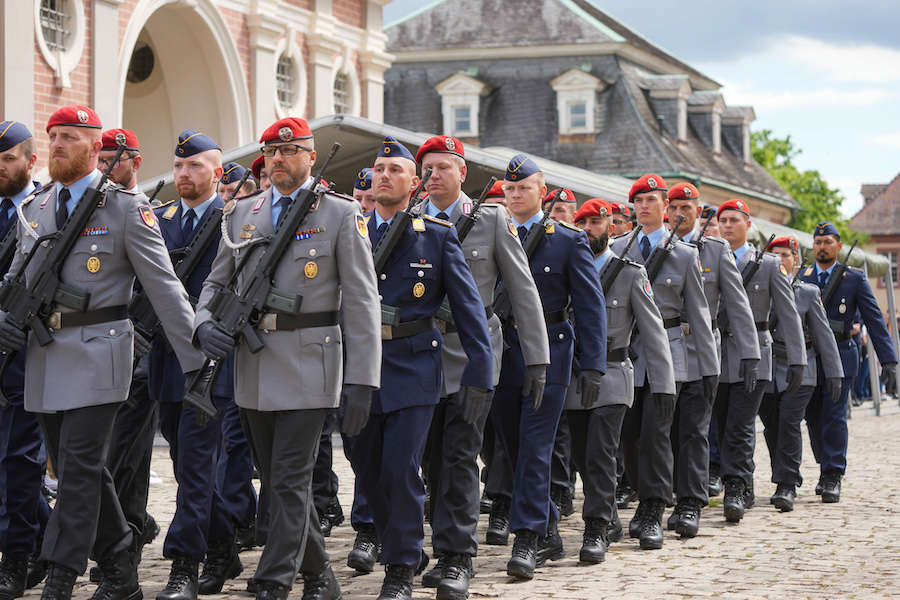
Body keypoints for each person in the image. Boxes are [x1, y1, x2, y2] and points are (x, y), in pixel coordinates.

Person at [0, 105, 204, 600]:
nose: (58, 144)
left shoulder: (125, 208)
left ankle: (62, 576)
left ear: (96, 149)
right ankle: (120, 568)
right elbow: (13, 281)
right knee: (76, 471)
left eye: (70, 136)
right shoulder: (40, 207)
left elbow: (164, 287)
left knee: (80, 467)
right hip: (46, 357)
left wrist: (198, 358)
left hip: (100, 353)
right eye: (54, 136)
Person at [194, 117, 380, 600]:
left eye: (290, 150)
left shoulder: (339, 214)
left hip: (310, 362)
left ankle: (273, 582)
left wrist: (363, 379)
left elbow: (361, 302)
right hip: (253, 365)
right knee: (277, 480)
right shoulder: (243, 211)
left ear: (310, 156)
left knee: (291, 478)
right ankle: (320, 576)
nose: (279, 159)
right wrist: (203, 324)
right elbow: (216, 282)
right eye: (272, 151)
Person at [348, 136, 492, 600]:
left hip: (415, 367)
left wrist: (479, 375)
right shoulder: (349, 230)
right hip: (358, 370)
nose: (384, 175)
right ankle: (400, 544)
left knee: (400, 469)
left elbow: (470, 312)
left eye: (395, 169)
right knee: (365, 469)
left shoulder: (436, 234)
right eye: (378, 169)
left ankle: (400, 565)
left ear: (414, 183)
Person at [415, 136, 549, 600]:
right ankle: (436, 544)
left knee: (459, 456)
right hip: (418, 357)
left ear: (462, 173)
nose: (434, 175)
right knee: (429, 459)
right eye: (428, 168)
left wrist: (537, 359)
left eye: (443, 167)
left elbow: (523, 290)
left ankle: (457, 557)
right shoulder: (412, 221)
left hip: (473, 357)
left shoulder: (492, 220)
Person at [493, 154, 606, 579]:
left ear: (543, 191)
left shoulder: (567, 239)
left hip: (553, 351)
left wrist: (593, 365)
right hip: (504, 351)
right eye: (510, 188)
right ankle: (549, 529)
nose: (516, 194)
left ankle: (528, 538)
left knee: (536, 446)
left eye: (524, 187)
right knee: (514, 446)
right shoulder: (493, 232)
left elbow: (590, 307)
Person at [151, 130, 247, 600]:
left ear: (218, 171)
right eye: (178, 167)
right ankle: (224, 542)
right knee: (185, 459)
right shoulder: (159, 218)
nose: (184, 175)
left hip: (210, 361)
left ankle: (183, 565)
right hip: (165, 359)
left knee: (194, 462)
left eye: (194, 167)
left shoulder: (233, 221)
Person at [609, 174, 717, 550]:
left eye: (651, 200)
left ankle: (655, 507)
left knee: (659, 434)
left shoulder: (685, 254)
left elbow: (699, 314)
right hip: (626, 351)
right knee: (630, 434)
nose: (643, 206)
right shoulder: (618, 247)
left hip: (668, 353)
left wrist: (709, 368)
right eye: (637, 200)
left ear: (665, 208)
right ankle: (643, 498)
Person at [566, 198, 674, 563]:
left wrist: (664, 385)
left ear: (609, 228)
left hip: (614, 374)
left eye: (594, 224)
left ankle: (595, 526)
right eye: (581, 225)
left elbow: (654, 332)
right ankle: (608, 514)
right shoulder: (567, 269)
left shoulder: (629, 272)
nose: (587, 231)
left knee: (600, 452)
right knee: (581, 454)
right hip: (575, 375)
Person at [665, 183, 759, 537]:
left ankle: (691, 503)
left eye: (686, 207)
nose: (679, 214)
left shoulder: (716, 251)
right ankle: (668, 496)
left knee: (694, 429)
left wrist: (750, 354)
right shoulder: (654, 246)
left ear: (697, 208)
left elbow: (737, 305)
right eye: (673, 207)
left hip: (703, 350)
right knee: (663, 432)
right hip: (663, 350)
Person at [90, 128, 160, 586]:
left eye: (114, 161)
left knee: (128, 457)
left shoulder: (145, 211)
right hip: (98, 349)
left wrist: (145, 343)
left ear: (134, 162)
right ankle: (128, 531)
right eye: (100, 162)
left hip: (140, 348)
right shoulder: (89, 210)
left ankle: (128, 536)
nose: (105, 170)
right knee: (104, 456)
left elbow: (162, 287)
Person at [715, 199, 805, 523]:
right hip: (717, 353)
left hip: (756, 351)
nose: (727, 225)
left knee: (740, 424)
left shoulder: (768, 264)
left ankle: (735, 487)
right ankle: (745, 480)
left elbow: (788, 314)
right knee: (722, 424)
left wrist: (797, 360)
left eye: (734, 220)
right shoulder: (707, 258)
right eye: (722, 220)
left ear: (747, 224)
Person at [800, 222, 897, 502]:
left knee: (834, 416)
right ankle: (824, 464)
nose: (822, 247)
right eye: (818, 243)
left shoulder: (853, 279)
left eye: (828, 242)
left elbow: (874, 320)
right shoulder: (804, 276)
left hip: (841, 355)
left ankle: (832, 474)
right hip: (810, 356)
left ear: (839, 246)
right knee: (813, 417)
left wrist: (889, 361)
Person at [0, 120, 50, 600]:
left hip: (32, 353)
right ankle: (48, 536)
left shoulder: (48, 210)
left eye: (7, 158)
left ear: (30, 161)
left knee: (19, 461)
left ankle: (15, 558)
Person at [759, 236, 843, 511]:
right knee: (771, 425)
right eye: (776, 254)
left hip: (801, 367)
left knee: (789, 422)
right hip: (768, 367)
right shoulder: (759, 288)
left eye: (786, 254)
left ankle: (787, 483)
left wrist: (834, 373)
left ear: (796, 260)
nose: (781, 259)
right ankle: (780, 474)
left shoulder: (806, 292)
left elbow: (824, 335)